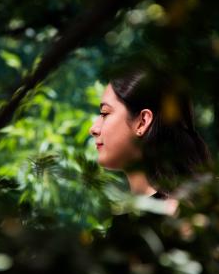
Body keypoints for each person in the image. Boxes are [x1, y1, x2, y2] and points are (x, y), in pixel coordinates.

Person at [89, 65, 210, 199]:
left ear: (142, 122)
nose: (93, 129)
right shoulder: (198, 202)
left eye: (105, 113)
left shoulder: (174, 212)